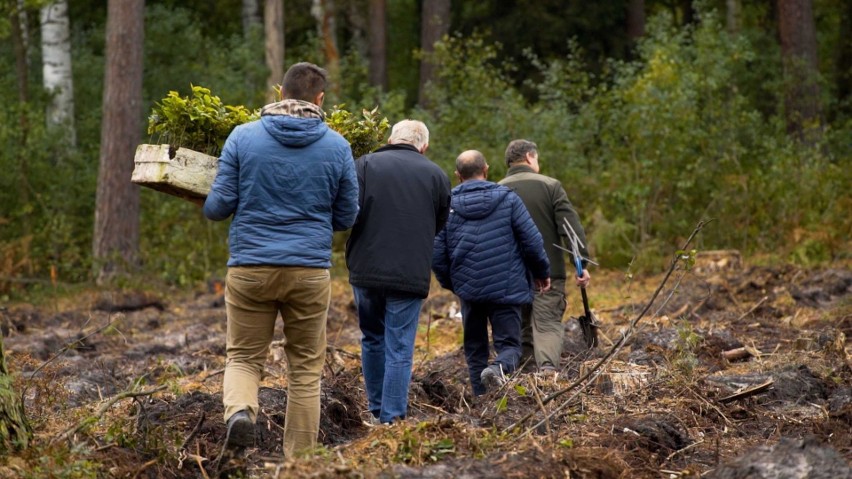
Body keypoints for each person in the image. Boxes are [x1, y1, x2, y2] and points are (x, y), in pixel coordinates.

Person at [203, 62, 359, 455]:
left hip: (250, 268)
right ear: (319, 99)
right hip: (308, 272)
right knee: (306, 370)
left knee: (243, 356)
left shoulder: (242, 137)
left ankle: (240, 411)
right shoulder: (338, 147)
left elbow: (218, 207)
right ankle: (300, 462)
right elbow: (347, 216)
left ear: (281, 93)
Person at [345, 120, 451, 424]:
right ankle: (392, 419)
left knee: (372, 338)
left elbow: (349, 211)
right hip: (409, 273)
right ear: (424, 146)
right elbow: (440, 223)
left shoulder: (363, 165)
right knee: (400, 347)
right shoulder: (436, 174)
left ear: (391, 139)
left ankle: (376, 409)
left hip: (366, 268)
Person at [432, 150, 551, 395]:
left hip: (469, 290)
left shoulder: (447, 204)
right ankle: (497, 370)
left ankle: (480, 399)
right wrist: (541, 272)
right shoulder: (508, 199)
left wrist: (454, 283)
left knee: (475, 348)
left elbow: (436, 252)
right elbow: (532, 241)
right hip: (507, 287)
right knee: (510, 346)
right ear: (486, 170)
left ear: (457, 175)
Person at [498, 139, 591, 374]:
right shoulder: (551, 186)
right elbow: (570, 229)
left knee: (520, 326)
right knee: (547, 323)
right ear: (530, 157)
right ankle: (548, 372)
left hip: (510, 274)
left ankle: (523, 378)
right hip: (549, 272)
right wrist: (581, 265)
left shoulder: (497, 190)